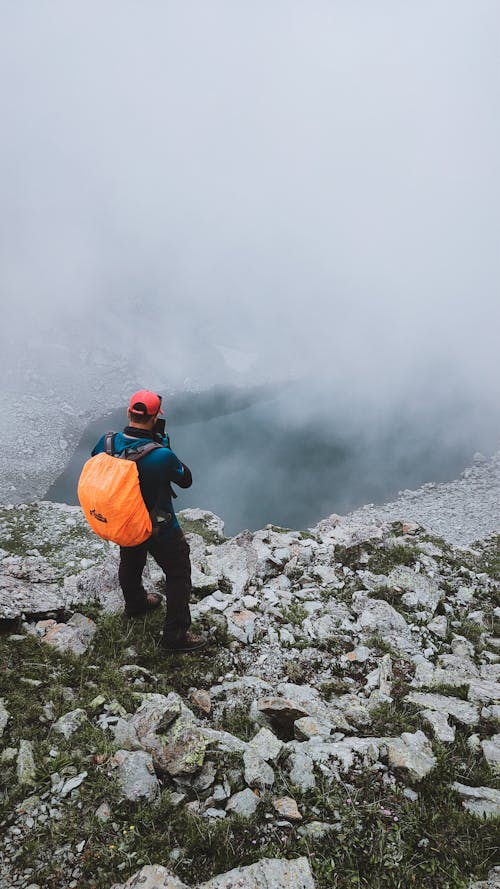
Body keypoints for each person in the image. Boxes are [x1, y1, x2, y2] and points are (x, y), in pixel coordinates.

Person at [91, 389, 207, 652]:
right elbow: (185, 480)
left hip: (125, 519)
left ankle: (135, 603)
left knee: (131, 561)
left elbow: (97, 465)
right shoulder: (160, 454)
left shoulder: (106, 442)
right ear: (155, 418)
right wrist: (165, 447)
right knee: (178, 572)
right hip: (160, 526)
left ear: (128, 412)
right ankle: (175, 636)